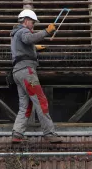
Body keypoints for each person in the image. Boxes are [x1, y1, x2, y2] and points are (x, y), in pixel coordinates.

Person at [10, 9, 63, 143]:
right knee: (41, 101)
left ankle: (17, 134)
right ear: (26, 21)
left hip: (17, 72)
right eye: (32, 23)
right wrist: (46, 31)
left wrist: (34, 48)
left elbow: (24, 45)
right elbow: (29, 38)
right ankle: (49, 133)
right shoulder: (23, 31)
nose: (33, 25)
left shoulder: (15, 34)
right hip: (27, 72)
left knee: (25, 105)